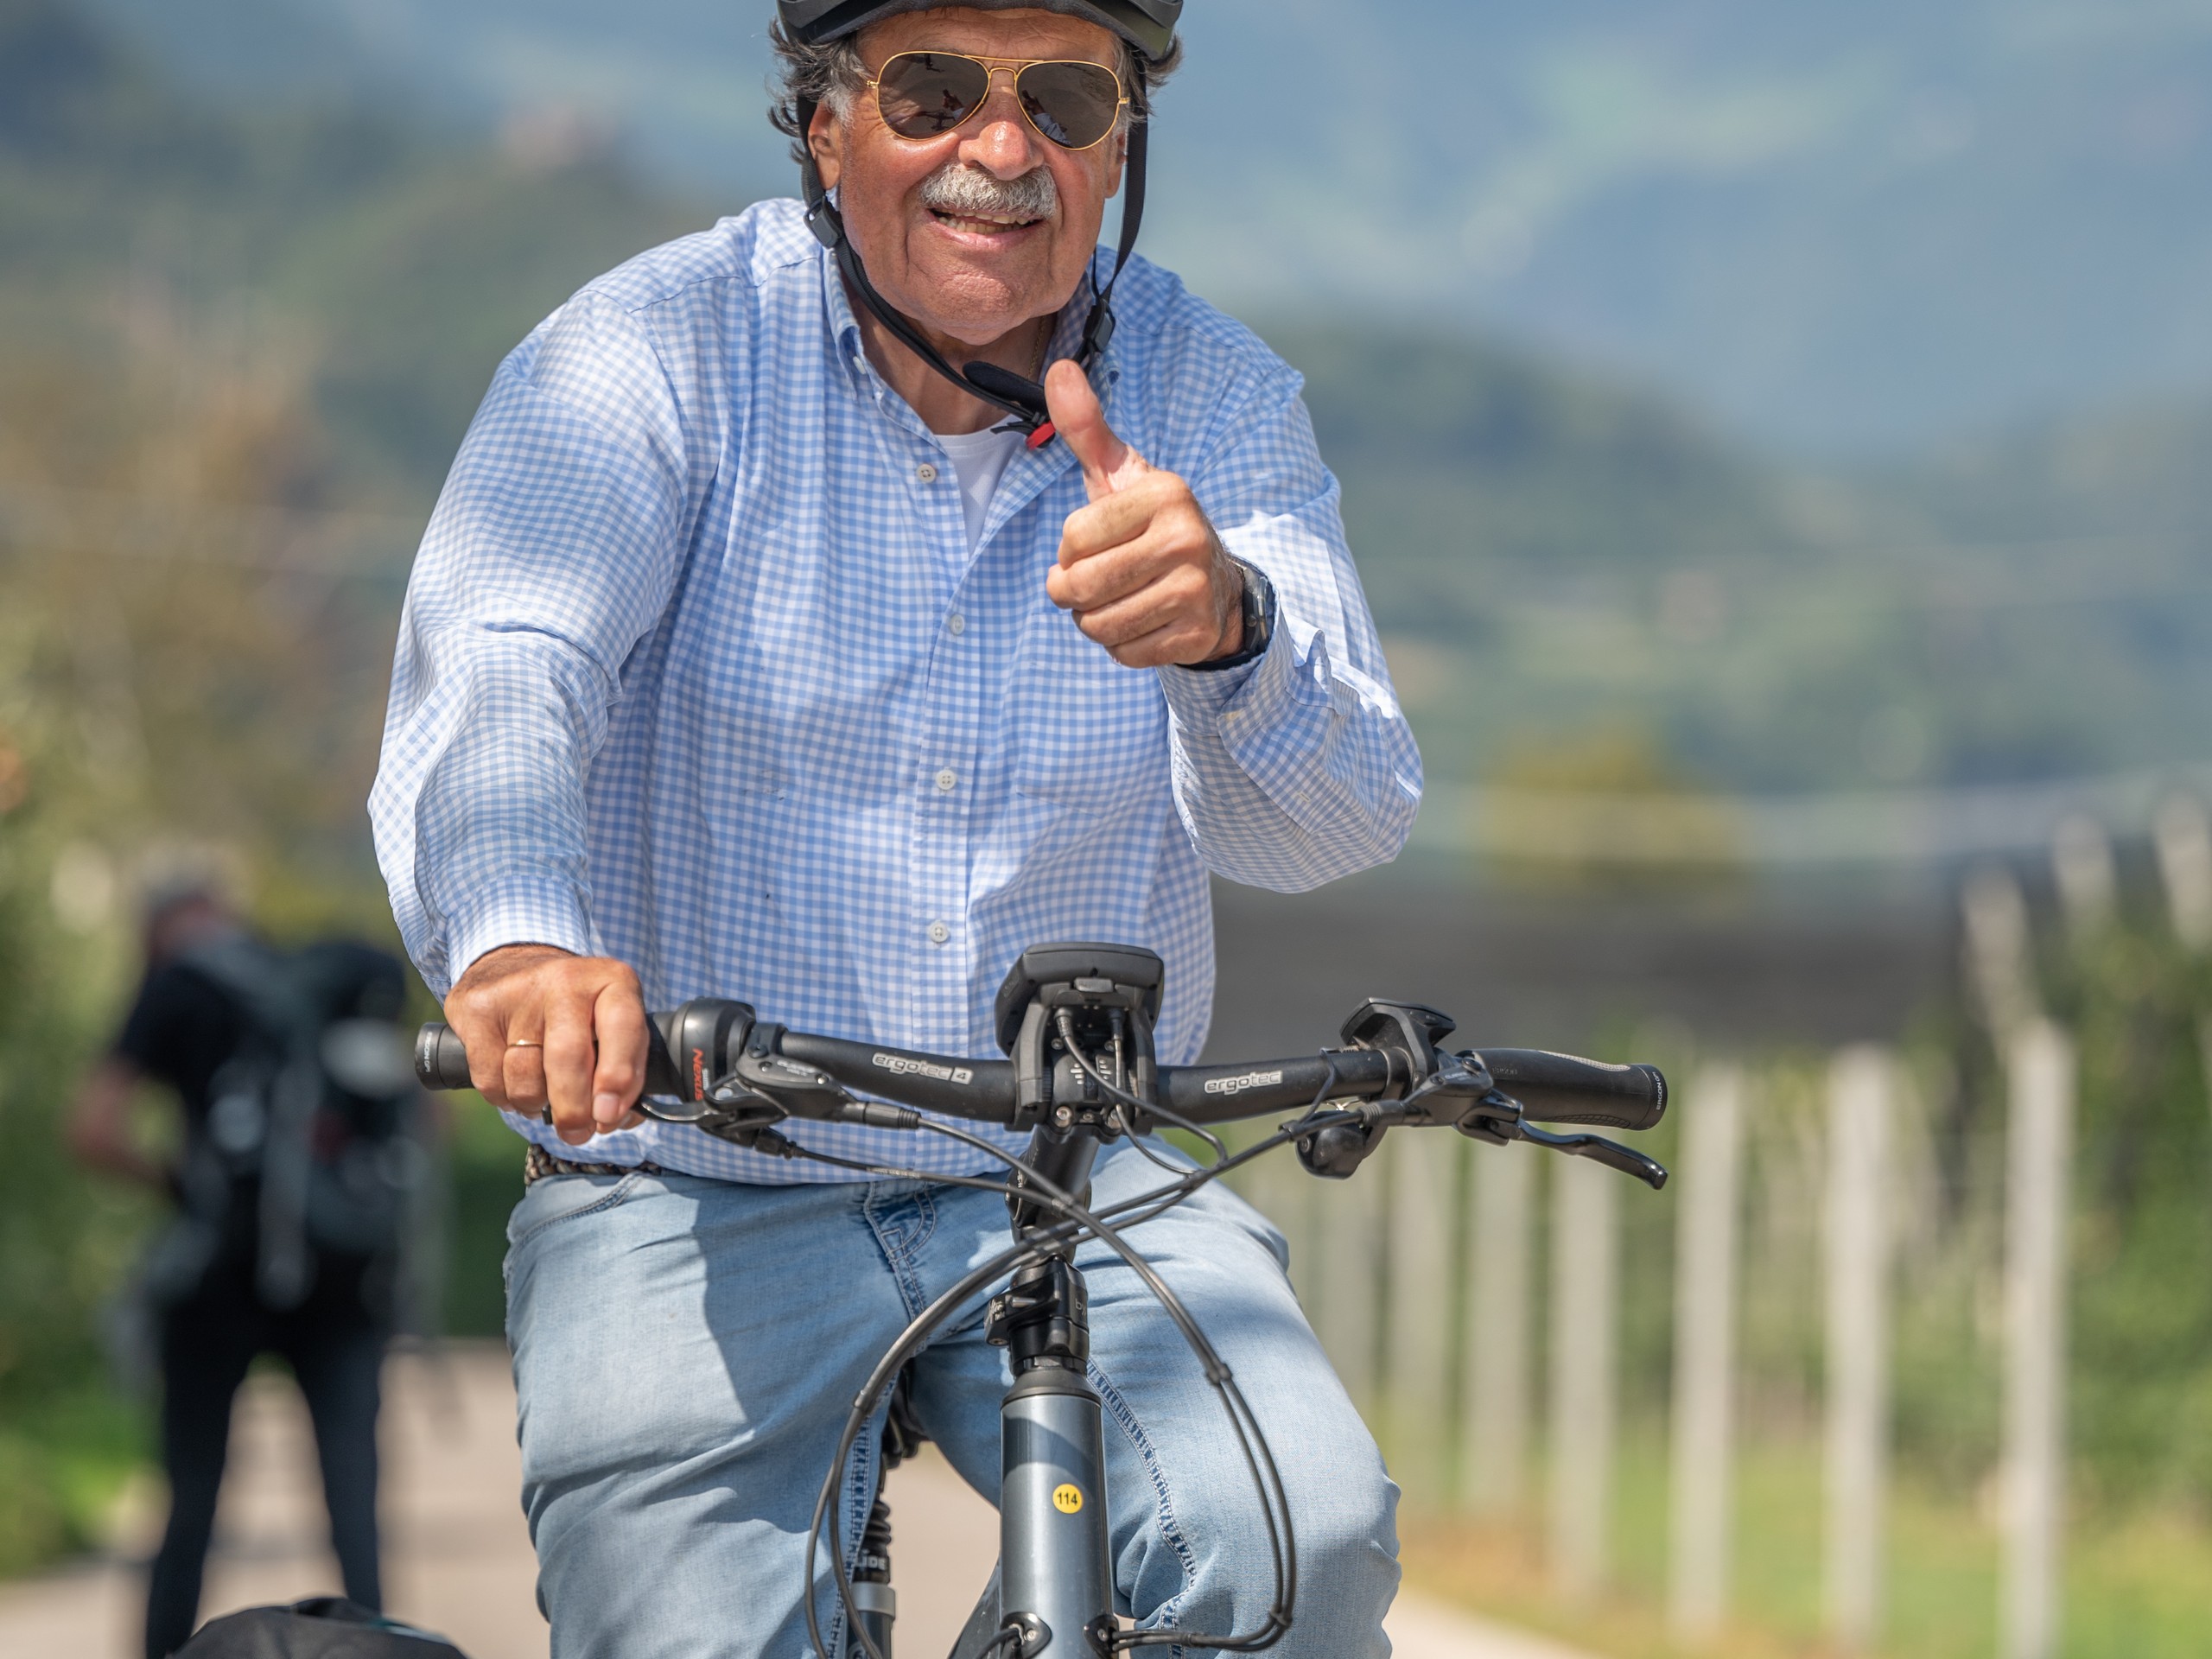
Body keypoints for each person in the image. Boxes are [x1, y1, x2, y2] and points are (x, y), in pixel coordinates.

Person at [370, 3, 1422, 1653]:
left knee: (1296, 1542)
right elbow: (507, 666)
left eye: (1062, 97)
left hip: (1074, 1173)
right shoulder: (651, 351)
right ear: (824, 126)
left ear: (1119, 144)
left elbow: (1340, 821)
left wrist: (1233, 628)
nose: (1002, 152)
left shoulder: (1210, 394)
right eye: (935, 90)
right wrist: (521, 934)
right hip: (694, 1165)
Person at [69, 882, 409, 1659]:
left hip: (216, 1281)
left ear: (155, 935)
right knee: (356, 1509)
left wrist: (185, 1186)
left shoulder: (176, 989)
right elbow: (415, 1121)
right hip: (343, 1280)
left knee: (190, 1505)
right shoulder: (324, 984)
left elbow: (92, 1127)